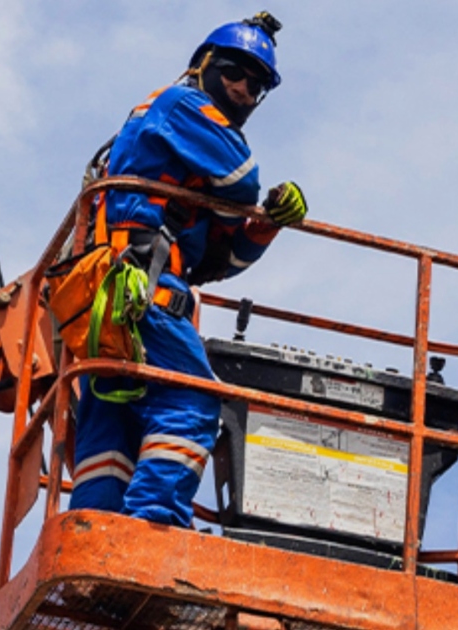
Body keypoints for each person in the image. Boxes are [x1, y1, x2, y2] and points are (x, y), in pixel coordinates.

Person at [68, 12, 308, 527]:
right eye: (233, 71)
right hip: (140, 294)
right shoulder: (181, 105)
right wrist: (244, 203)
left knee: (112, 430)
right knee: (192, 405)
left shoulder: (186, 166)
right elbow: (242, 179)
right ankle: (153, 529)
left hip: (116, 300)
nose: (243, 88)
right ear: (203, 66)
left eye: (256, 84)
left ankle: (97, 536)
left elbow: (216, 263)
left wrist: (264, 226)